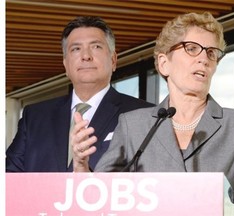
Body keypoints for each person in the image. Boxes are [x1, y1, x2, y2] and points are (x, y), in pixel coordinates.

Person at [70, 12, 234, 215]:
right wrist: (81, 165)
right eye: (192, 48)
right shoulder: (133, 125)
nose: (204, 58)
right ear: (164, 63)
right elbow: (97, 200)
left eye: (211, 53)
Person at [5, 16, 154, 172]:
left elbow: (153, 181)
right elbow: (10, 178)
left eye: (96, 47)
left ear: (113, 60)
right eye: (76, 49)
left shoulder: (145, 115)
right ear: (66, 65)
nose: (86, 56)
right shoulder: (34, 116)